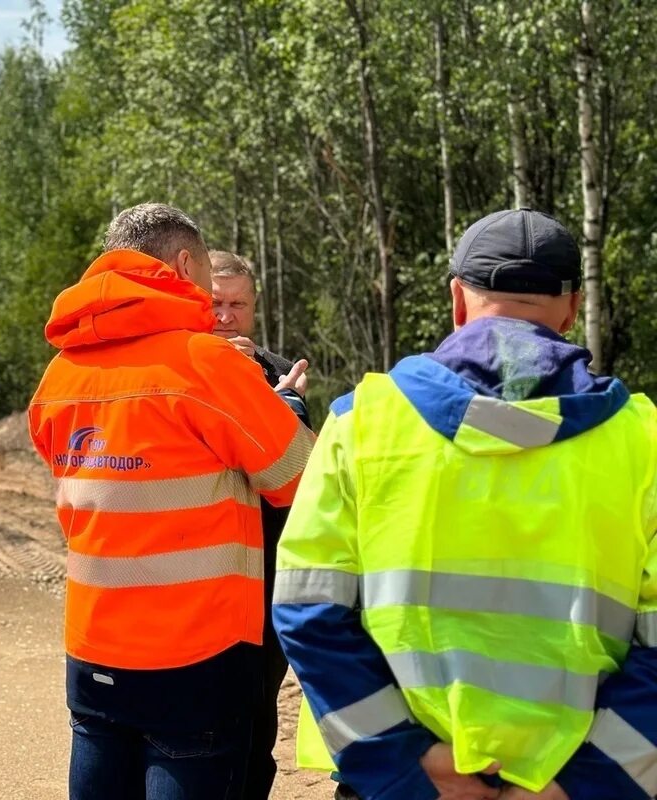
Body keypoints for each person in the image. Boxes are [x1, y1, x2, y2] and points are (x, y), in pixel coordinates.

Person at [272, 208, 657, 800]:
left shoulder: (363, 424)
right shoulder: (642, 440)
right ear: (574, 307)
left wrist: (406, 765)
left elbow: (308, 611)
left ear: (457, 298)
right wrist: (583, 783)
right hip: (571, 781)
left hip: (406, 781)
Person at [28, 203, 315, 800]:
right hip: (197, 658)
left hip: (93, 650)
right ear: (184, 263)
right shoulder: (207, 365)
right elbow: (299, 479)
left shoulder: (59, 376)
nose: (215, 304)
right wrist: (285, 407)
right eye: (209, 281)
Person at [209, 249, 310, 800]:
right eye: (215, 303)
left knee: (256, 718)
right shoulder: (174, 366)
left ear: (254, 308)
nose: (226, 316)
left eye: (237, 305)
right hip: (200, 578)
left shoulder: (275, 370)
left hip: (266, 574)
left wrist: (285, 403)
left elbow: (296, 475)